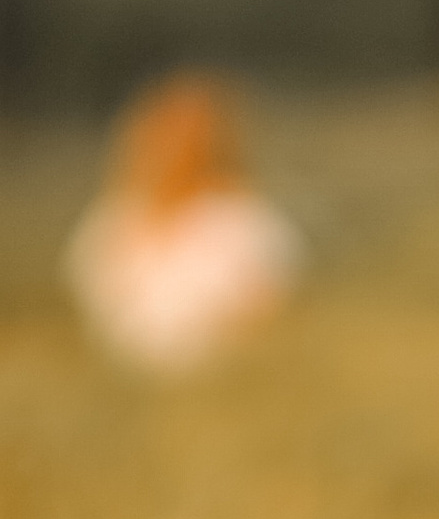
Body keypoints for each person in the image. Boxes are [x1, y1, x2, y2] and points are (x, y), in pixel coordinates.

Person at [62, 76, 302, 374]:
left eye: (192, 137)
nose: (175, 150)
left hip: (219, 384)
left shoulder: (248, 223)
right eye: (166, 134)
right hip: (119, 384)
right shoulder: (110, 222)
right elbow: (89, 316)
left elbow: (268, 321)